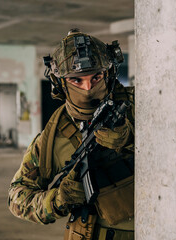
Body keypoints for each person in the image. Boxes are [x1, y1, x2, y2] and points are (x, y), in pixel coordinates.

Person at [8, 29, 135, 240]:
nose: (88, 88)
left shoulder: (136, 106)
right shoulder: (52, 138)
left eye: (96, 77)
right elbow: (16, 198)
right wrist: (56, 200)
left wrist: (131, 140)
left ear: (108, 73)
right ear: (60, 84)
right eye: (77, 80)